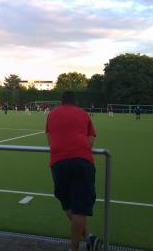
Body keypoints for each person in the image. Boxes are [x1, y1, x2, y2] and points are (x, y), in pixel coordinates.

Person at [45, 91, 103, 251]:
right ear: (75, 101)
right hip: (82, 161)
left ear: (61, 101)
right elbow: (90, 140)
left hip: (58, 162)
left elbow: (50, 140)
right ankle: (76, 248)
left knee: (67, 204)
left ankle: (89, 237)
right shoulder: (83, 113)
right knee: (80, 208)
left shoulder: (52, 114)